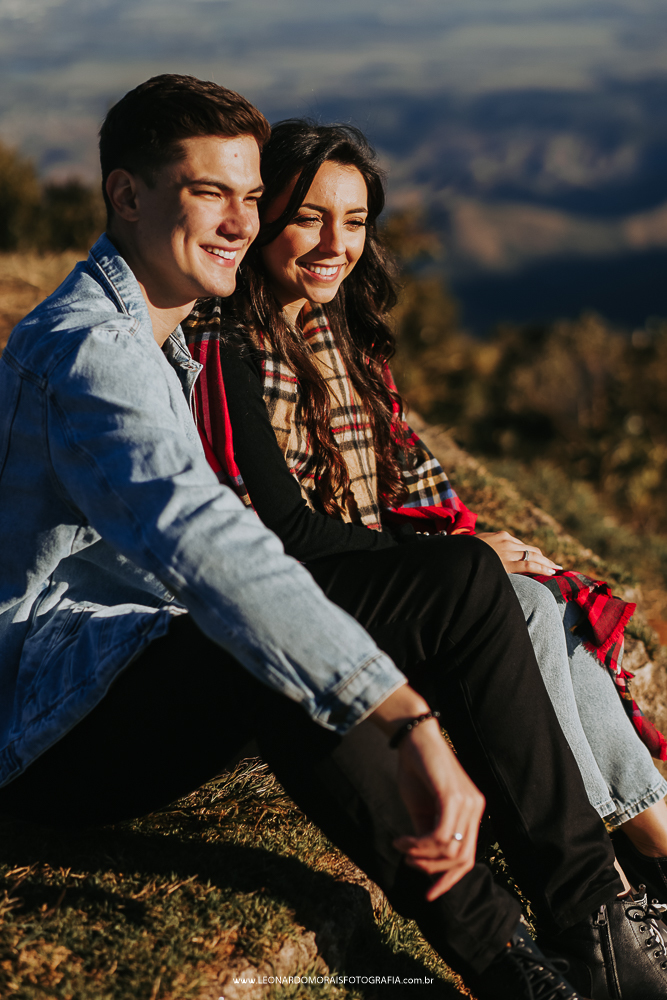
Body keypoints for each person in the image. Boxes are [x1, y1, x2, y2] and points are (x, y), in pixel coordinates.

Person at [0, 76, 660, 1000]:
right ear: (126, 195)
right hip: (49, 727)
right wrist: (404, 717)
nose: (239, 222)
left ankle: (584, 935)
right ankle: (525, 960)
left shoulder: (166, 335)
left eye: (248, 196)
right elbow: (204, 539)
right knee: (266, 638)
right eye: (210, 194)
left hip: (129, 669)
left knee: (457, 583)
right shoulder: (93, 351)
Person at [180, 116, 667, 996]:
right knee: (505, 597)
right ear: (261, 223)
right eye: (309, 218)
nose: (337, 245)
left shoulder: (340, 344)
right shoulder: (229, 349)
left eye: (356, 220)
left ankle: (643, 865)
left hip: (371, 587)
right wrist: (466, 555)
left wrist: (469, 544)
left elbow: (405, 492)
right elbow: (279, 533)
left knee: (540, 600)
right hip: (296, 623)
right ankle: (624, 891)